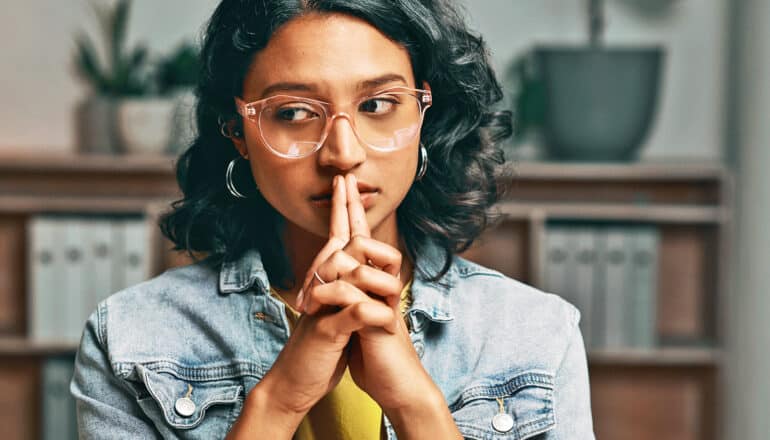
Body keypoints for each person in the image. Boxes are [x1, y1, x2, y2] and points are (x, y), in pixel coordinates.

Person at [71, 0, 595, 438]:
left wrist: (415, 405)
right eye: (294, 113)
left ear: (423, 115)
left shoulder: (537, 335)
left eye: (379, 104)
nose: (342, 153)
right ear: (237, 130)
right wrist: (278, 400)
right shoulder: (131, 340)